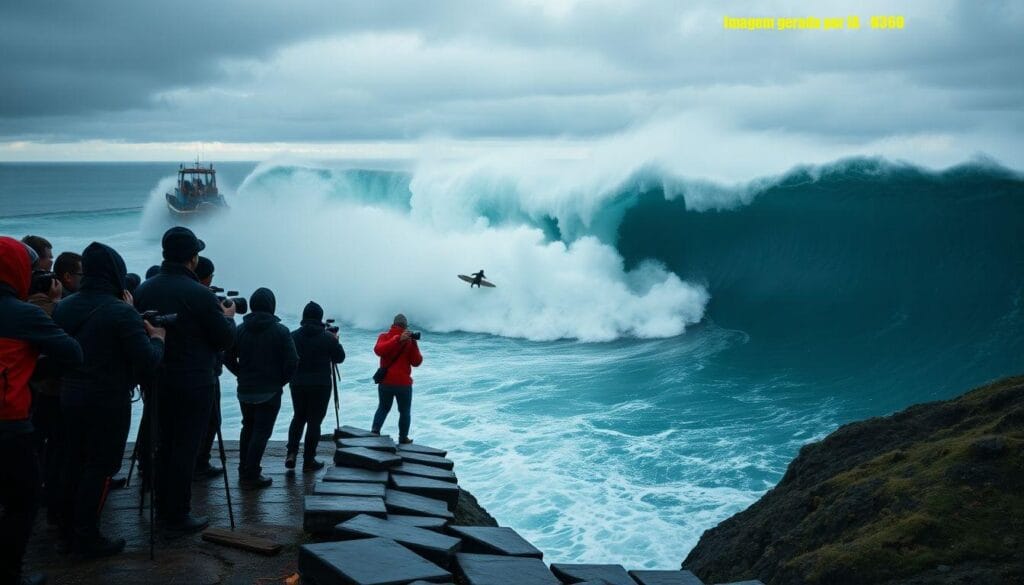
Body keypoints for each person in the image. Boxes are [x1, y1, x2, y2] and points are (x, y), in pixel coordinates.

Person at [53, 242, 165, 557]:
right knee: (100, 466)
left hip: (70, 394)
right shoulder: (121, 312)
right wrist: (158, 339)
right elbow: (146, 361)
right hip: (107, 399)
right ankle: (86, 536)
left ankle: (65, 526)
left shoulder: (65, 305)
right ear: (115, 271)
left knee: (73, 460)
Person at [133, 227, 235, 533]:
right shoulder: (200, 294)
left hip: (156, 379)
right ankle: (176, 514)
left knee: (163, 444)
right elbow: (225, 339)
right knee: (185, 448)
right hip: (194, 382)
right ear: (193, 259)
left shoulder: (143, 291)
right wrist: (228, 317)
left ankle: (162, 506)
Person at [1, 236, 83, 585]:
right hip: (9, 422)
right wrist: (33, 367)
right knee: (23, 500)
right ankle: (9, 573)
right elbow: (72, 353)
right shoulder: (24, 314)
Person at [224, 288, 297, 489]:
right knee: (261, 432)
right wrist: (280, 381)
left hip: (245, 389)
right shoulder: (281, 331)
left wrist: (240, 374)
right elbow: (292, 361)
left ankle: (243, 468)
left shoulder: (240, 330)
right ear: (271, 306)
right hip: (270, 391)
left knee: (247, 427)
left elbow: (227, 357)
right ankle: (252, 474)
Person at [25, 270, 64, 526]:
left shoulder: (23, 308)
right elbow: (66, 349)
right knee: (55, 444)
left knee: (37, 441)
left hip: (31, 388)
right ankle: (46, 494)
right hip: (48, 388)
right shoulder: (45, 311)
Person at [286, 301, 345, 471]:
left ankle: (291, 453)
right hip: (321, 385)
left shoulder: (293, 335)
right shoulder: (327, 338)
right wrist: (335, 341)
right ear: (320, 317)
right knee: (314, 422)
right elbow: (339, 358)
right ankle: (308, 460)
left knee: (298, 417)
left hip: (297, 383)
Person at [192, 256, 223, 479]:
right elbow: (225, 339)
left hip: (164, 375)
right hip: (202, 374)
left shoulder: (150, 289)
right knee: (210, 420)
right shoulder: (202, 299)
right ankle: (199, 463)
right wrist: (227, 318)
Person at [370, 314, 422, 444]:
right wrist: (402, 340)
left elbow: (378, 350)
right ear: (405, 326)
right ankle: (403, 438)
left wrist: (413, 342)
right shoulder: (401, 340)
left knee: (383, 407)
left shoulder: (384, 337)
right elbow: (417, 362)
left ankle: (375, 431)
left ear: (393, 324)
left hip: (386, 383)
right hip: (403, 384)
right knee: (404, 412)